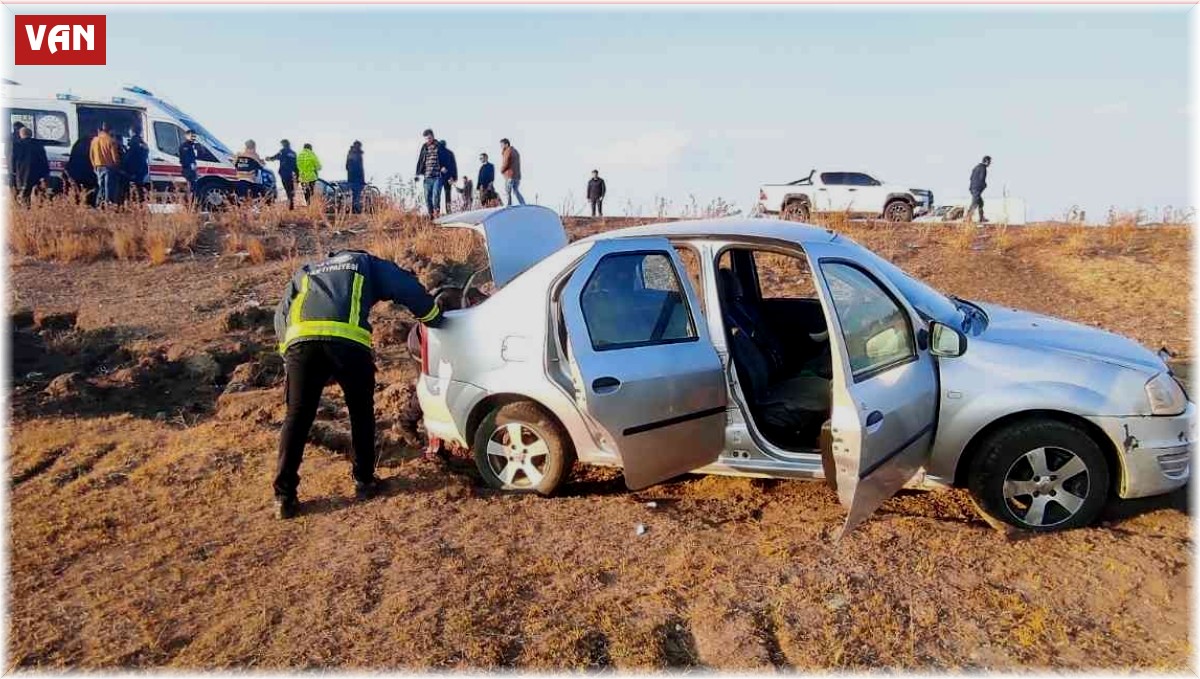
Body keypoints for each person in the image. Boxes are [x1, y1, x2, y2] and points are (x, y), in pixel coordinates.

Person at [272, 249, 446, 519]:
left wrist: (288, 354)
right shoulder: (366, 263)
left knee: (297, 415)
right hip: (347, 344)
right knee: (360, 411)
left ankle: (284, 497)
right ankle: (364, 481)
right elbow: (405, 287)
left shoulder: (309, 269)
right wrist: (434, 317)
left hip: (300, 344)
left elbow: (282, 313)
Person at [414, 129, 448, 218]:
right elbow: (420, 160)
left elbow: (445, 158)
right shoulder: (424, 147)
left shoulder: (439, 146)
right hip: (427, 177)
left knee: (435, 196)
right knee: (427, 198)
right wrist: (417, 174)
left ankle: (437, 215)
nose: (428, 140)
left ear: (433, 136)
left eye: (429, 138)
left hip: (437, 176)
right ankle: (431, 216)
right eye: (426, 139)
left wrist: (444, 167)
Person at [11, 126, 49, 206]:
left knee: (24, 196)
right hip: (37, 174)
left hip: (22, 174)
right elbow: (44, 160)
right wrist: (45, 174)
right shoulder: (38, 145)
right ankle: (39, 209)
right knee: (39, 196)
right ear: (31, 134)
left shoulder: (17, 145)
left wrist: (13, 171)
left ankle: (25, 211)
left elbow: (13, 159)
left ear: (21, 135)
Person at [89, 122, 122, 207]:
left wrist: (94, 166)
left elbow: (91, 155)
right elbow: (115, 157)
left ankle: (98, 204)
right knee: (109, 188)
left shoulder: (94, 140)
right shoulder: (111, 141)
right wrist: (117, 166)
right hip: (109, 167)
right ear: (110, 130)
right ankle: (108, 205)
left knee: (101, 186)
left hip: (98, 166)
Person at [66, 134, 97, 206]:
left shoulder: (80, 143)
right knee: (89, 194)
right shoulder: (92, 145)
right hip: (87, 175)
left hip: (74, 173)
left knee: (76, 193)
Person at [267, 139, 298, 210]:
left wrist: (269, 158)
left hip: (284, 173)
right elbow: (296, 165)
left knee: (287, 189)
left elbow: (276, 157)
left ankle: (291, 205)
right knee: (291, 189)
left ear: (284, 144)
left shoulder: (283, 151)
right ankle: (292, 204)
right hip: (291, 174)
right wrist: (297, 174)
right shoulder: (293, 153)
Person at [122, 130, 151, 204]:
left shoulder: (131, 151)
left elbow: (127, 162)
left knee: (133, 192)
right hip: (139, 173)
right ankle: (139, 204)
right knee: (139, 190)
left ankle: (134, 204)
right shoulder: (142, 150)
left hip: (133, 174)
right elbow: (147, 149)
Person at [178, 129, 203, 201]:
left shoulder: (194, 146)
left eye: (194, 136)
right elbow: (185, 159)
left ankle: (193, 204)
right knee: (190, 188)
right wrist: (191, 165)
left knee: (194, 188)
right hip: (187, 170)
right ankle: (188, 204)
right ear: (186, 136)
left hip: (193, 170)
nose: (193, 138)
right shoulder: (184, 146)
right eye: (192, 136)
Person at [500, 138, 524, 206]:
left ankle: (508, 206)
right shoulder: (516, 151)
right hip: (517, 176)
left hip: (509, 175)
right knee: (516, 191)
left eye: (502, 145)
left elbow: (506, 162)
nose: (501, 147)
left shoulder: (508, 151)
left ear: (506, 144)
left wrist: (501, 170)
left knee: (508, 192)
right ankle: (523, 203)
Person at [967, 155, 991, 223]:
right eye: (989, 162)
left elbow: (971, 178)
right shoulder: (983, 168)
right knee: (975, 203)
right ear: (986, 161)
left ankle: (981, 217)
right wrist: (984, 185)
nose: (989, 164)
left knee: (980, 203)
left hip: (972, 188)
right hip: (977, 188)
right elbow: (981, 179)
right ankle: (968, 217)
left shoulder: (976, 167)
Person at [438, 140, 458, 214]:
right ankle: (438, 212)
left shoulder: (450, 153)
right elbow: (454, 167)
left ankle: (448, 211)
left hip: (448, 178)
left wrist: (453, 177)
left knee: (447, 195)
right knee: (439, 195)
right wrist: (440, 168)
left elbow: (453, 166)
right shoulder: (438, 153)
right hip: (440, 177)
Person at [346, 140, 365, 214]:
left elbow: (347, 166)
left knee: (354, 193)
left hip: (351, 177)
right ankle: (355, 208)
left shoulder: (350, 153)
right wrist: (362, 178)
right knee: (357, 193)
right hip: (357, 178)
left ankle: (354, 207)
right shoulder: (356, 154)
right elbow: (359, 168)